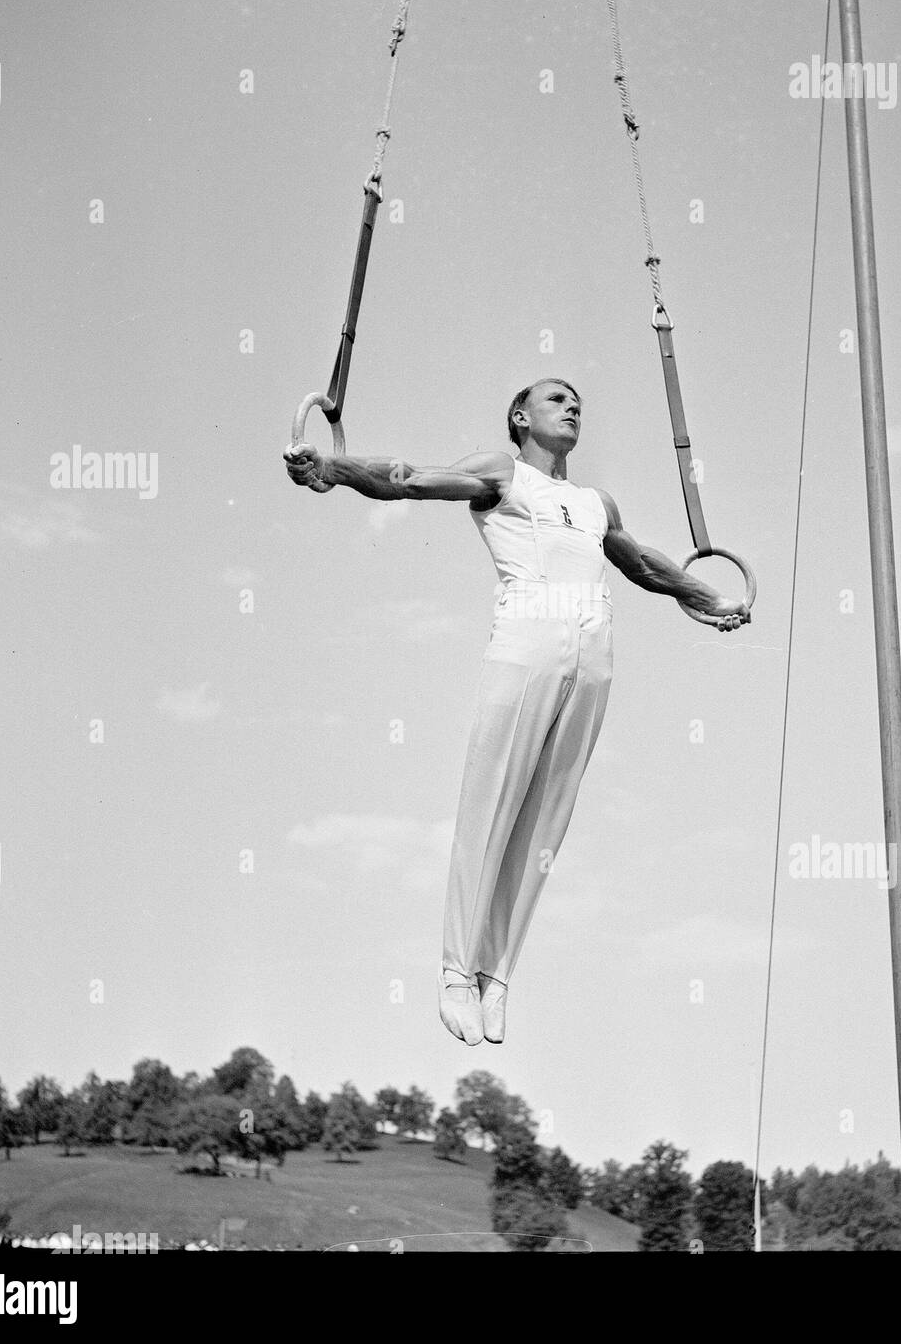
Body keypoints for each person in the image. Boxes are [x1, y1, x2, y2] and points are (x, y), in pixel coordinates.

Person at [284, 379, 749, 1045]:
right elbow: (410, 478)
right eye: (557, 398)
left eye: (579, 401)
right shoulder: (502, 474)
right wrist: (332, 468)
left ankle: (496, 976)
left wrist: (707, 597)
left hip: (593, 653)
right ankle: (455, 970)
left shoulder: (595, 503)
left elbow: (642, 563)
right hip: (528, 635)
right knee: (493, 806)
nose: (573, 406)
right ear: (519, 416)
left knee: (545, 825)